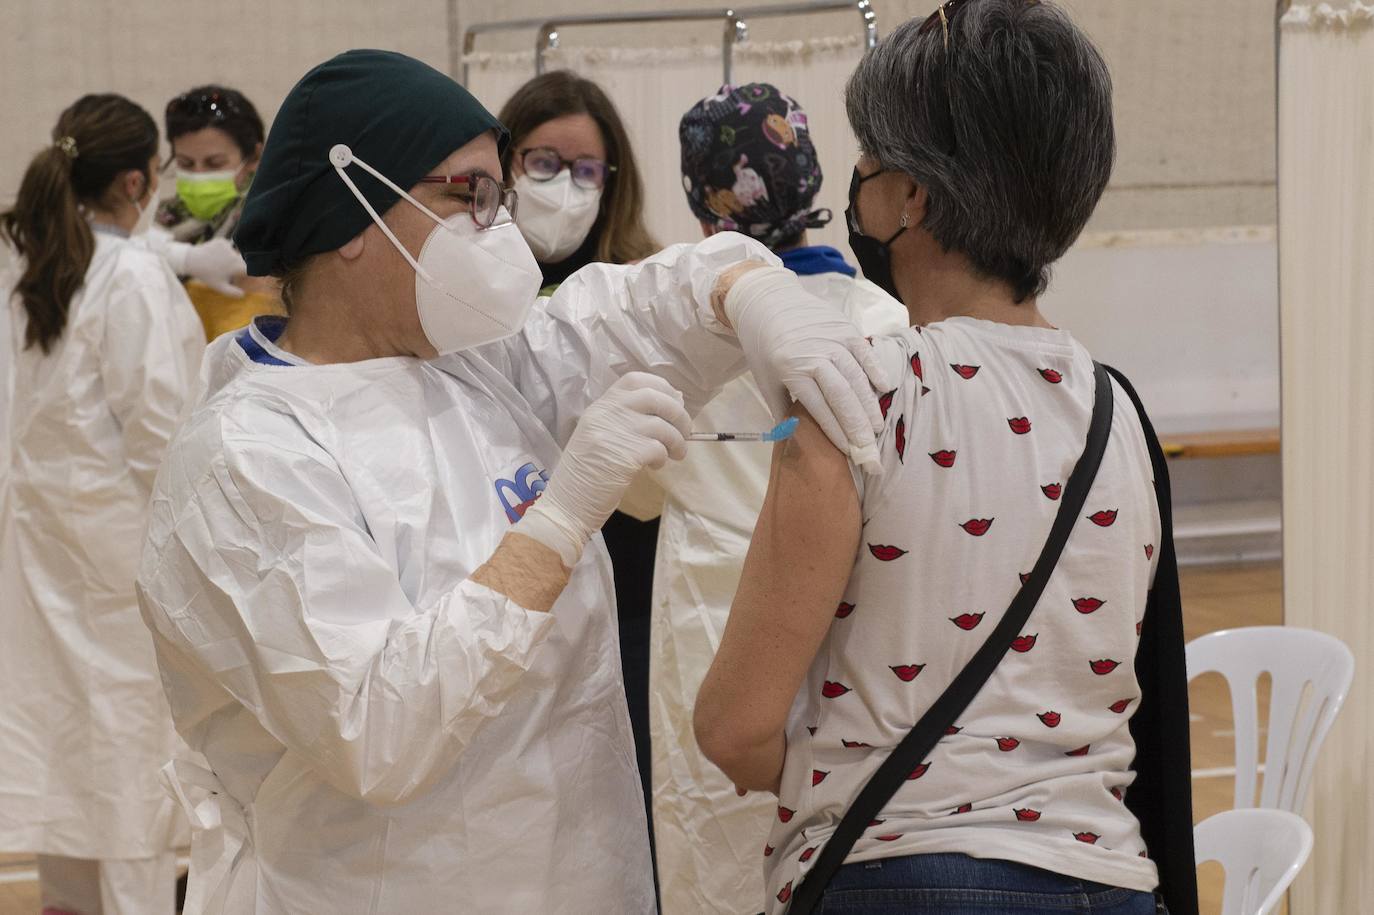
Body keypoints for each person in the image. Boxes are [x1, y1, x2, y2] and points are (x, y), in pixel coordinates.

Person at [134, 49, 890, 914]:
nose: (501, 230)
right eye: (473, 196)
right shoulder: (246, 456)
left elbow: (635, 306)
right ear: (354, 219)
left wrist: (752, 292)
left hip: (576, 876)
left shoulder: (465, 366)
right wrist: (560, 518)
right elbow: (379, 729)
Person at [694, 3, 1196, 914]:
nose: (855, 186)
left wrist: (837, 779)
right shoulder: (1121, 411)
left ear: (913, 198)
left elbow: (733, 725)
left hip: (905, 877)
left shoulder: (859, 390)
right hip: (1114, 881)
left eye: (868, 161)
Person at [651, 82, 907, 915]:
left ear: (701, 204)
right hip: (851, 632)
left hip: (709, 645)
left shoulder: (677, 336)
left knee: (715, 862)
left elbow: (633, 489)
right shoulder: (887, 319)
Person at [0, 93, 205, 915]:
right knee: (126, 781)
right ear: (136, 179)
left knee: (69, 774)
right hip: (122, 561)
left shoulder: (35, 271)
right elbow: (164, 431)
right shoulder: (130, 277)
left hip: (43, 555)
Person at [497, 69, 667, 854]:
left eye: (587, 170)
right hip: (506, 583)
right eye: (543, 164)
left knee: (626, 799)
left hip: (629, 582)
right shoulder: (466, 290)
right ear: (502, 165)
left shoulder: (645, 286)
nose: (566, 187)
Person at [153, 85, 284, 340]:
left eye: (215, 164)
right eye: (185, 164)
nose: (199, 175)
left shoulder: (277, 228)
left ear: (255, 157)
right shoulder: (155, 225)